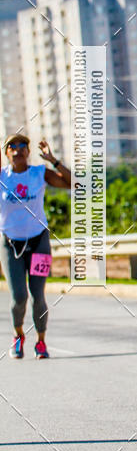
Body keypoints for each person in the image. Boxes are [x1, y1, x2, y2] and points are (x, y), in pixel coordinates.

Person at [0, 134, 71, 359]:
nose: (18, 149)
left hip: (39, 242)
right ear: (6, 153)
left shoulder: (39, 173)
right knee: (19, 296)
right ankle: (18, 335)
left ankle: (40, 342)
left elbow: (74, 183)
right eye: (13, 146)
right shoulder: (1, 177)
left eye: (23, 146)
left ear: (28, 151)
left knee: (37, 295)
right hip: (10, 244)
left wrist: (53, 160)